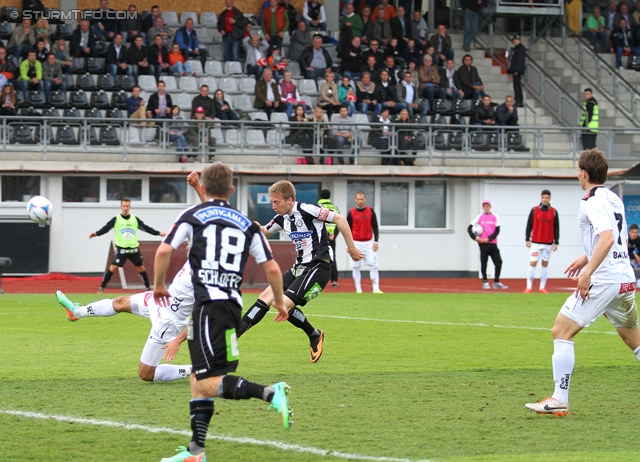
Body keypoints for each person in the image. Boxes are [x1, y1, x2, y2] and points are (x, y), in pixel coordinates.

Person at [154, 164, 293, 462]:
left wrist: (158, 286)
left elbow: (164, 250)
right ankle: (196, 451)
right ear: (232, 190)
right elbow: (270, 267)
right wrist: (280, 302)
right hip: (230, 307)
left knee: (206, 382)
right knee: (197, 378)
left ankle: (270, 393)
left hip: (209, 307)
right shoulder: (248, 224)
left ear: (203, 188)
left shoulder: (192, 216)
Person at [525, 148, 640, 417]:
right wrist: (584, 257)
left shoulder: (589, 201)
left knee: (561, 331)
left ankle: (559, 399)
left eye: (578, 169)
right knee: (633, 339)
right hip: (624, 278)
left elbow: (608, 238)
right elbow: (611, 238)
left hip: (604, 279)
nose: (577, 173)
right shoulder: (613, 198)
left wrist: (587, 272)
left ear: (584, 173)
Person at [236, 180, 363, 361]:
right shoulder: (282, 218)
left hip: (318, 267)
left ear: (289, 200)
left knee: (283, 304)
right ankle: (232, 339)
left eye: (276, 202)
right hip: (299, 268)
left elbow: (340, 219)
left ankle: (314, 334)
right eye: (272, 202)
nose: (273, 206)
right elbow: (265, 231)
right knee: (266, 298)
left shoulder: (307, 210)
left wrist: (351, 248)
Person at [91, 197, 166, 293]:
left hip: (134, 249)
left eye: (127, 206)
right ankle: (101, 288)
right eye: (124, 206)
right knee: (113, 268)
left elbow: (146, 228)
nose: (125, 208)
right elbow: (106, 228)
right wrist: (97, 233)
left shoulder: (134, 219)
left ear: (130, 207)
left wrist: (158, 233)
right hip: (121, 249)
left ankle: (148, 288)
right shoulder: (116, 219)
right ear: (121, 207)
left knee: (141, 268)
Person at [524, 189, 560, 294]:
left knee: (545, 264)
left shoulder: (553, 212)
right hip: (535, 242)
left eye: (547, 198)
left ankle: (542, 287)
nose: (545, 199)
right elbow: (529, 225)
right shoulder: (534, 210)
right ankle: (529, 287)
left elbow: (556, 227)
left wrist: (556, 242)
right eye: (543, 197)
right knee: (533, 263)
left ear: (550, 198)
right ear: (541, 198)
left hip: (548, 243)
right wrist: (527, 239)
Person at [347, 191, 383, 294]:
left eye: (362, 199)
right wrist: (348, 245)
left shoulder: (370, 211)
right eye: (358, 199)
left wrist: (376, 241)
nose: (360, 201)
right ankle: (358, 289)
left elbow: (375, 226)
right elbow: (347, 229)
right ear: (355, 200)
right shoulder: (351, 212)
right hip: (355, 243)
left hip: (368, 242)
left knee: (374, 265)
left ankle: (376, 288)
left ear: (365, 199)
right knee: (356, 266)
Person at [468, 200, 508, 290]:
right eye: (484, 206)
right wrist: (475, 238)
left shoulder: (495, 217)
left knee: (498, 262)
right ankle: (485, 281)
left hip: (492, 244)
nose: (486, 208)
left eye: (487, 206)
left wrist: (489, 238)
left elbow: (497, 231)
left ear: (490, 207)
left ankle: (496, 282)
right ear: (482, 207)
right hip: (483, 245)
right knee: (484, 263)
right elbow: (469, 228)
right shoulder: (479, 217)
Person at [318, 189, 340, 286]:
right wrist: (334, 234)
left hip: (322, 237)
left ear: (321, 196)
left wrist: (326, 234)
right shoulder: (335, 207)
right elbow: (340, 221)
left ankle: (319, 280)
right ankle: (334, 280)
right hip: (333, 237)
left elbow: (319, 222)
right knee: (333, 257)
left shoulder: (318, 207)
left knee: (319, 258)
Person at [507, 35, 526, 107]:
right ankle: (517, 100)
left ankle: (519, 100)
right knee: (516, 86)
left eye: (516, 40)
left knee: (517, 86)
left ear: (519, 40)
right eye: (514, 40)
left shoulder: (520, 48)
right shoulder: (514, 49)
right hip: (514, 70)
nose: (515, 41)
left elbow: (520, 60)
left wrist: (517, 70)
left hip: (517, 70)